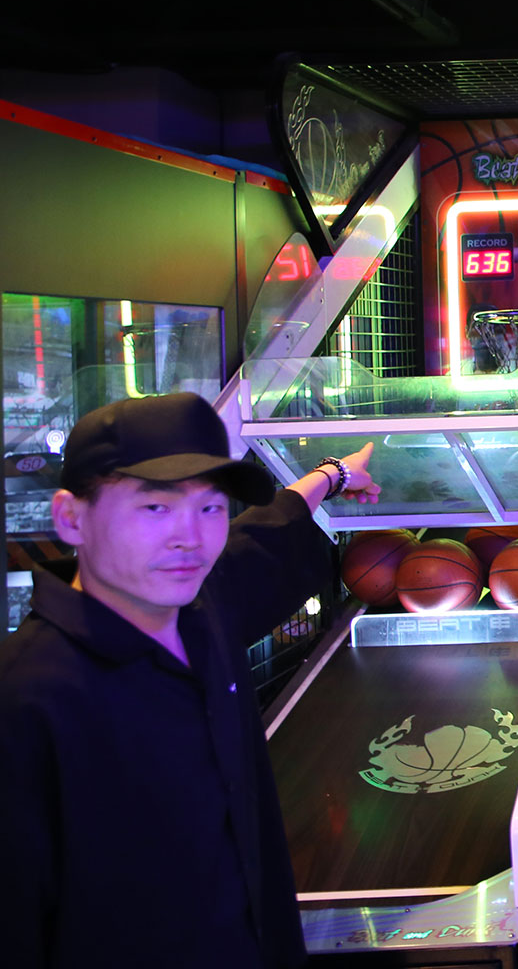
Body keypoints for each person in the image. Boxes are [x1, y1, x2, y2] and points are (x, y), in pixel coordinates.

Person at [0, 391, 380, 969]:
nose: (190, 538)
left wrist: (334, 475)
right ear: (71, 518)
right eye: (155, 507)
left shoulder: (203, 608)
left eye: (210, 507)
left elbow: (268, 529)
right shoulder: (27, 700)